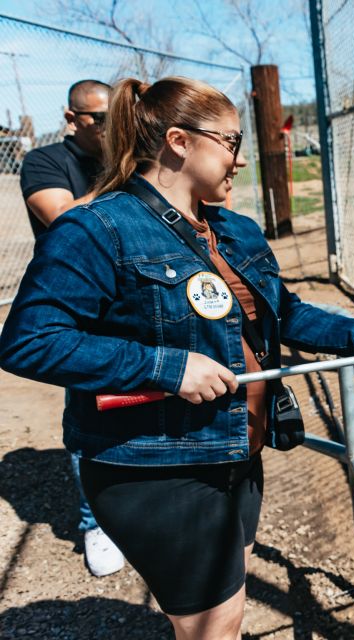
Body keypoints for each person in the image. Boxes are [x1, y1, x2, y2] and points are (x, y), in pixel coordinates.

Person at [0, 75, 354, 640]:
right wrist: (167, 367)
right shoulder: (98, 227)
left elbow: (287, 312)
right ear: (179, 141)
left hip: (237, 449)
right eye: (230, 142)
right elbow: (30, 339)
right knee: (215, 625)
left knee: (218, 608)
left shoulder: (235, 229)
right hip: (154, 467)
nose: (240, 159)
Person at [18, 78, 125, 578]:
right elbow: (61, 216)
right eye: (96, 119)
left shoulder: (126, 155)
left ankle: (138, 510)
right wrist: (127, 176)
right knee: (88, 416)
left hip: (131, 300)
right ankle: (94, 523)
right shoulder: (44, 162)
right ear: (71, 118)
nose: (106, 128)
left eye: (113, 118)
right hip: (78, 307)